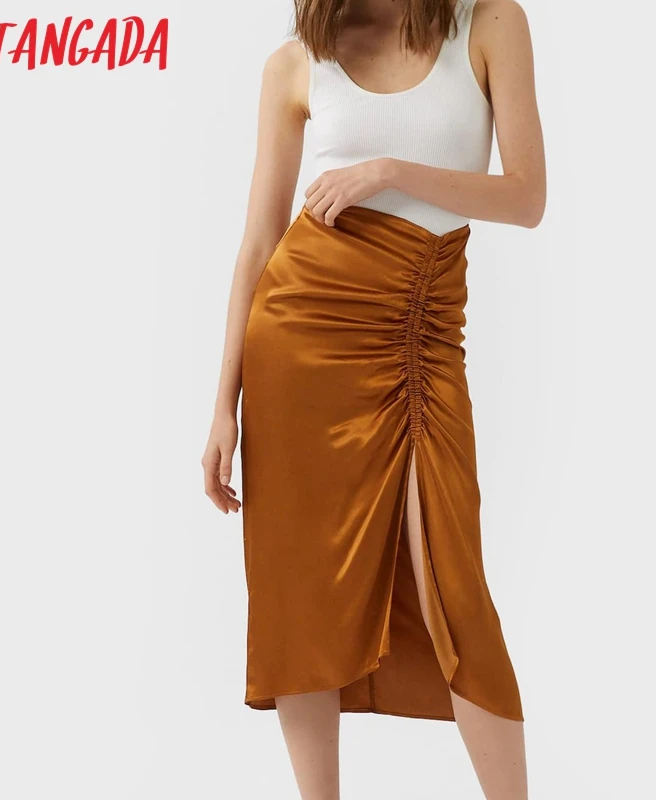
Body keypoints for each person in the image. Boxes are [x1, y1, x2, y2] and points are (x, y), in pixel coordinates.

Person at [202, 0, 546, 796]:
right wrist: (223, 404)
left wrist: (388, 171)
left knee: (455, 590)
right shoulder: (297, 62)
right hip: (297, 342)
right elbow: (258, 243)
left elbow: (527, 197)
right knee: (301, 596)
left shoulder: (489, 24)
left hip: (421, 341)